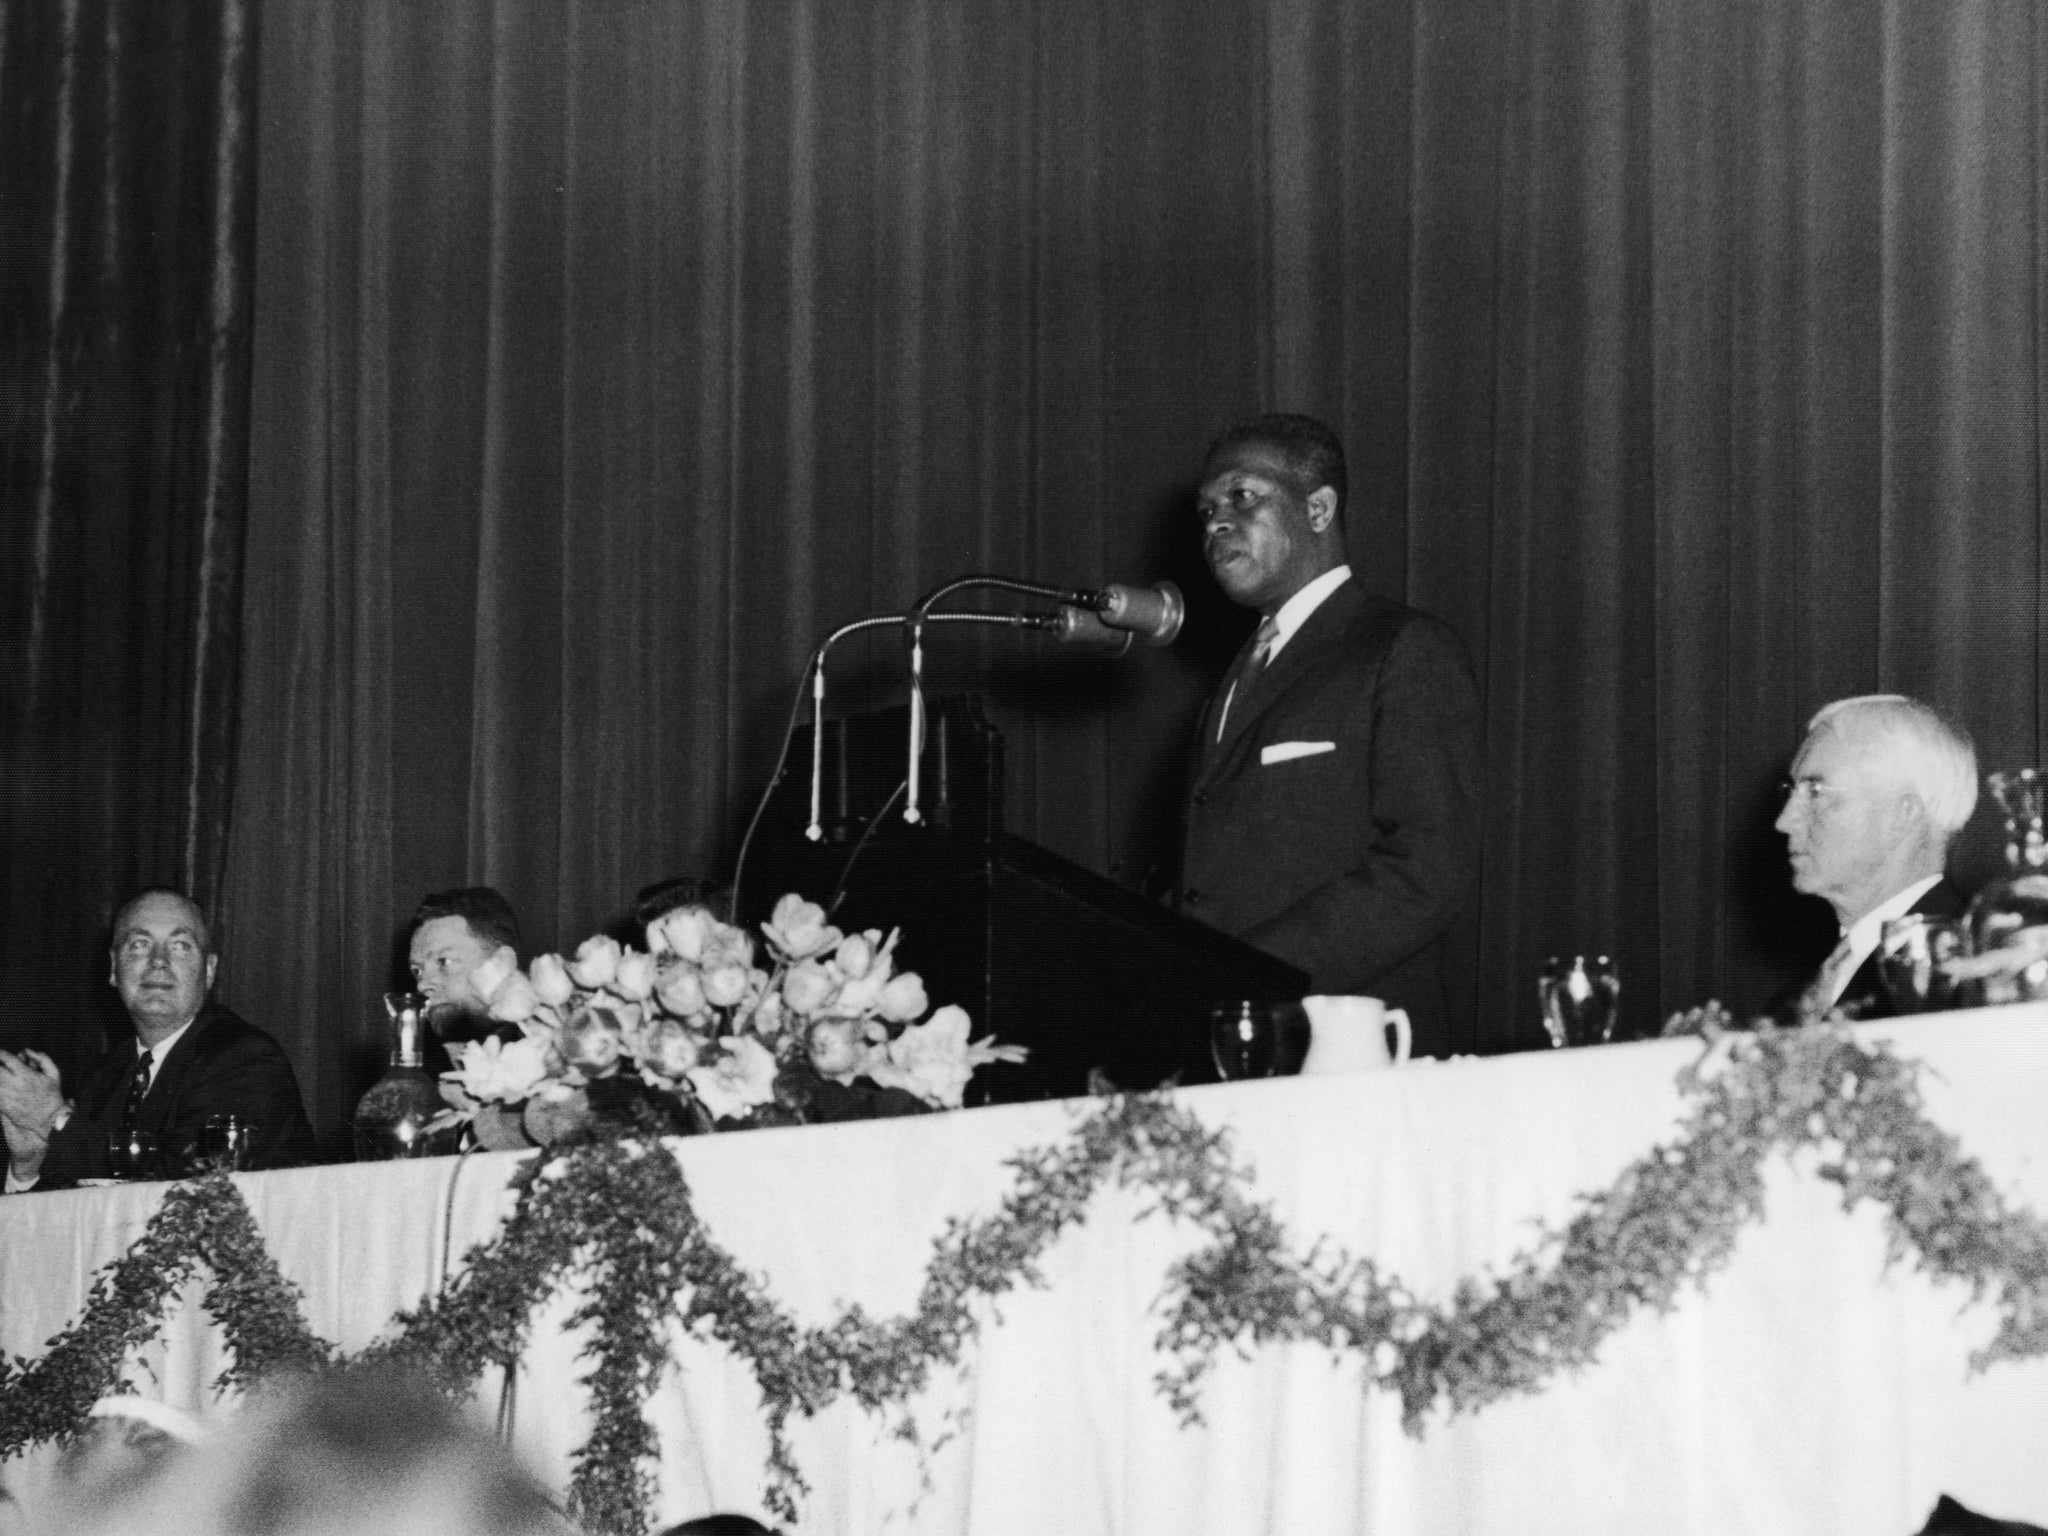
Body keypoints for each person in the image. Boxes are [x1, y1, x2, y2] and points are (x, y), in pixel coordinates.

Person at [1177, 413, 1482, 1051]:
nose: (1217, 523)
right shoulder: (1234, 681)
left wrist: (1251, 975)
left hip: (1354, 1048)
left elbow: (1427, 868)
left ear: (1318, 509)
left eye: (1242, 497)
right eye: (1206, 510)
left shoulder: (1402, 648)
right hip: (1239, 1042)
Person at [0, 889, 317, 1190]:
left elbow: (184, 1188)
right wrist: (28, 1163)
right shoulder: (103, 1075)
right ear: (113, 968)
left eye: (180, 946)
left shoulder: (247, 1059)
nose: (158, 960)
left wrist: (53, 1118)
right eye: (139, 944)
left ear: (208, 971)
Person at [1770, 693, 1977, 1019]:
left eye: (1815, 791)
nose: (1783, 822)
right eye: (1790, 793)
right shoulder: (1800, 996)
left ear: (1902, 815)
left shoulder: (1972, 977)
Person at [407, 886, 521, 1035]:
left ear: (504, 963)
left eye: (444, 962)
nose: (422, 985)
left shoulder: (554, 1053)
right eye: (417, 971)